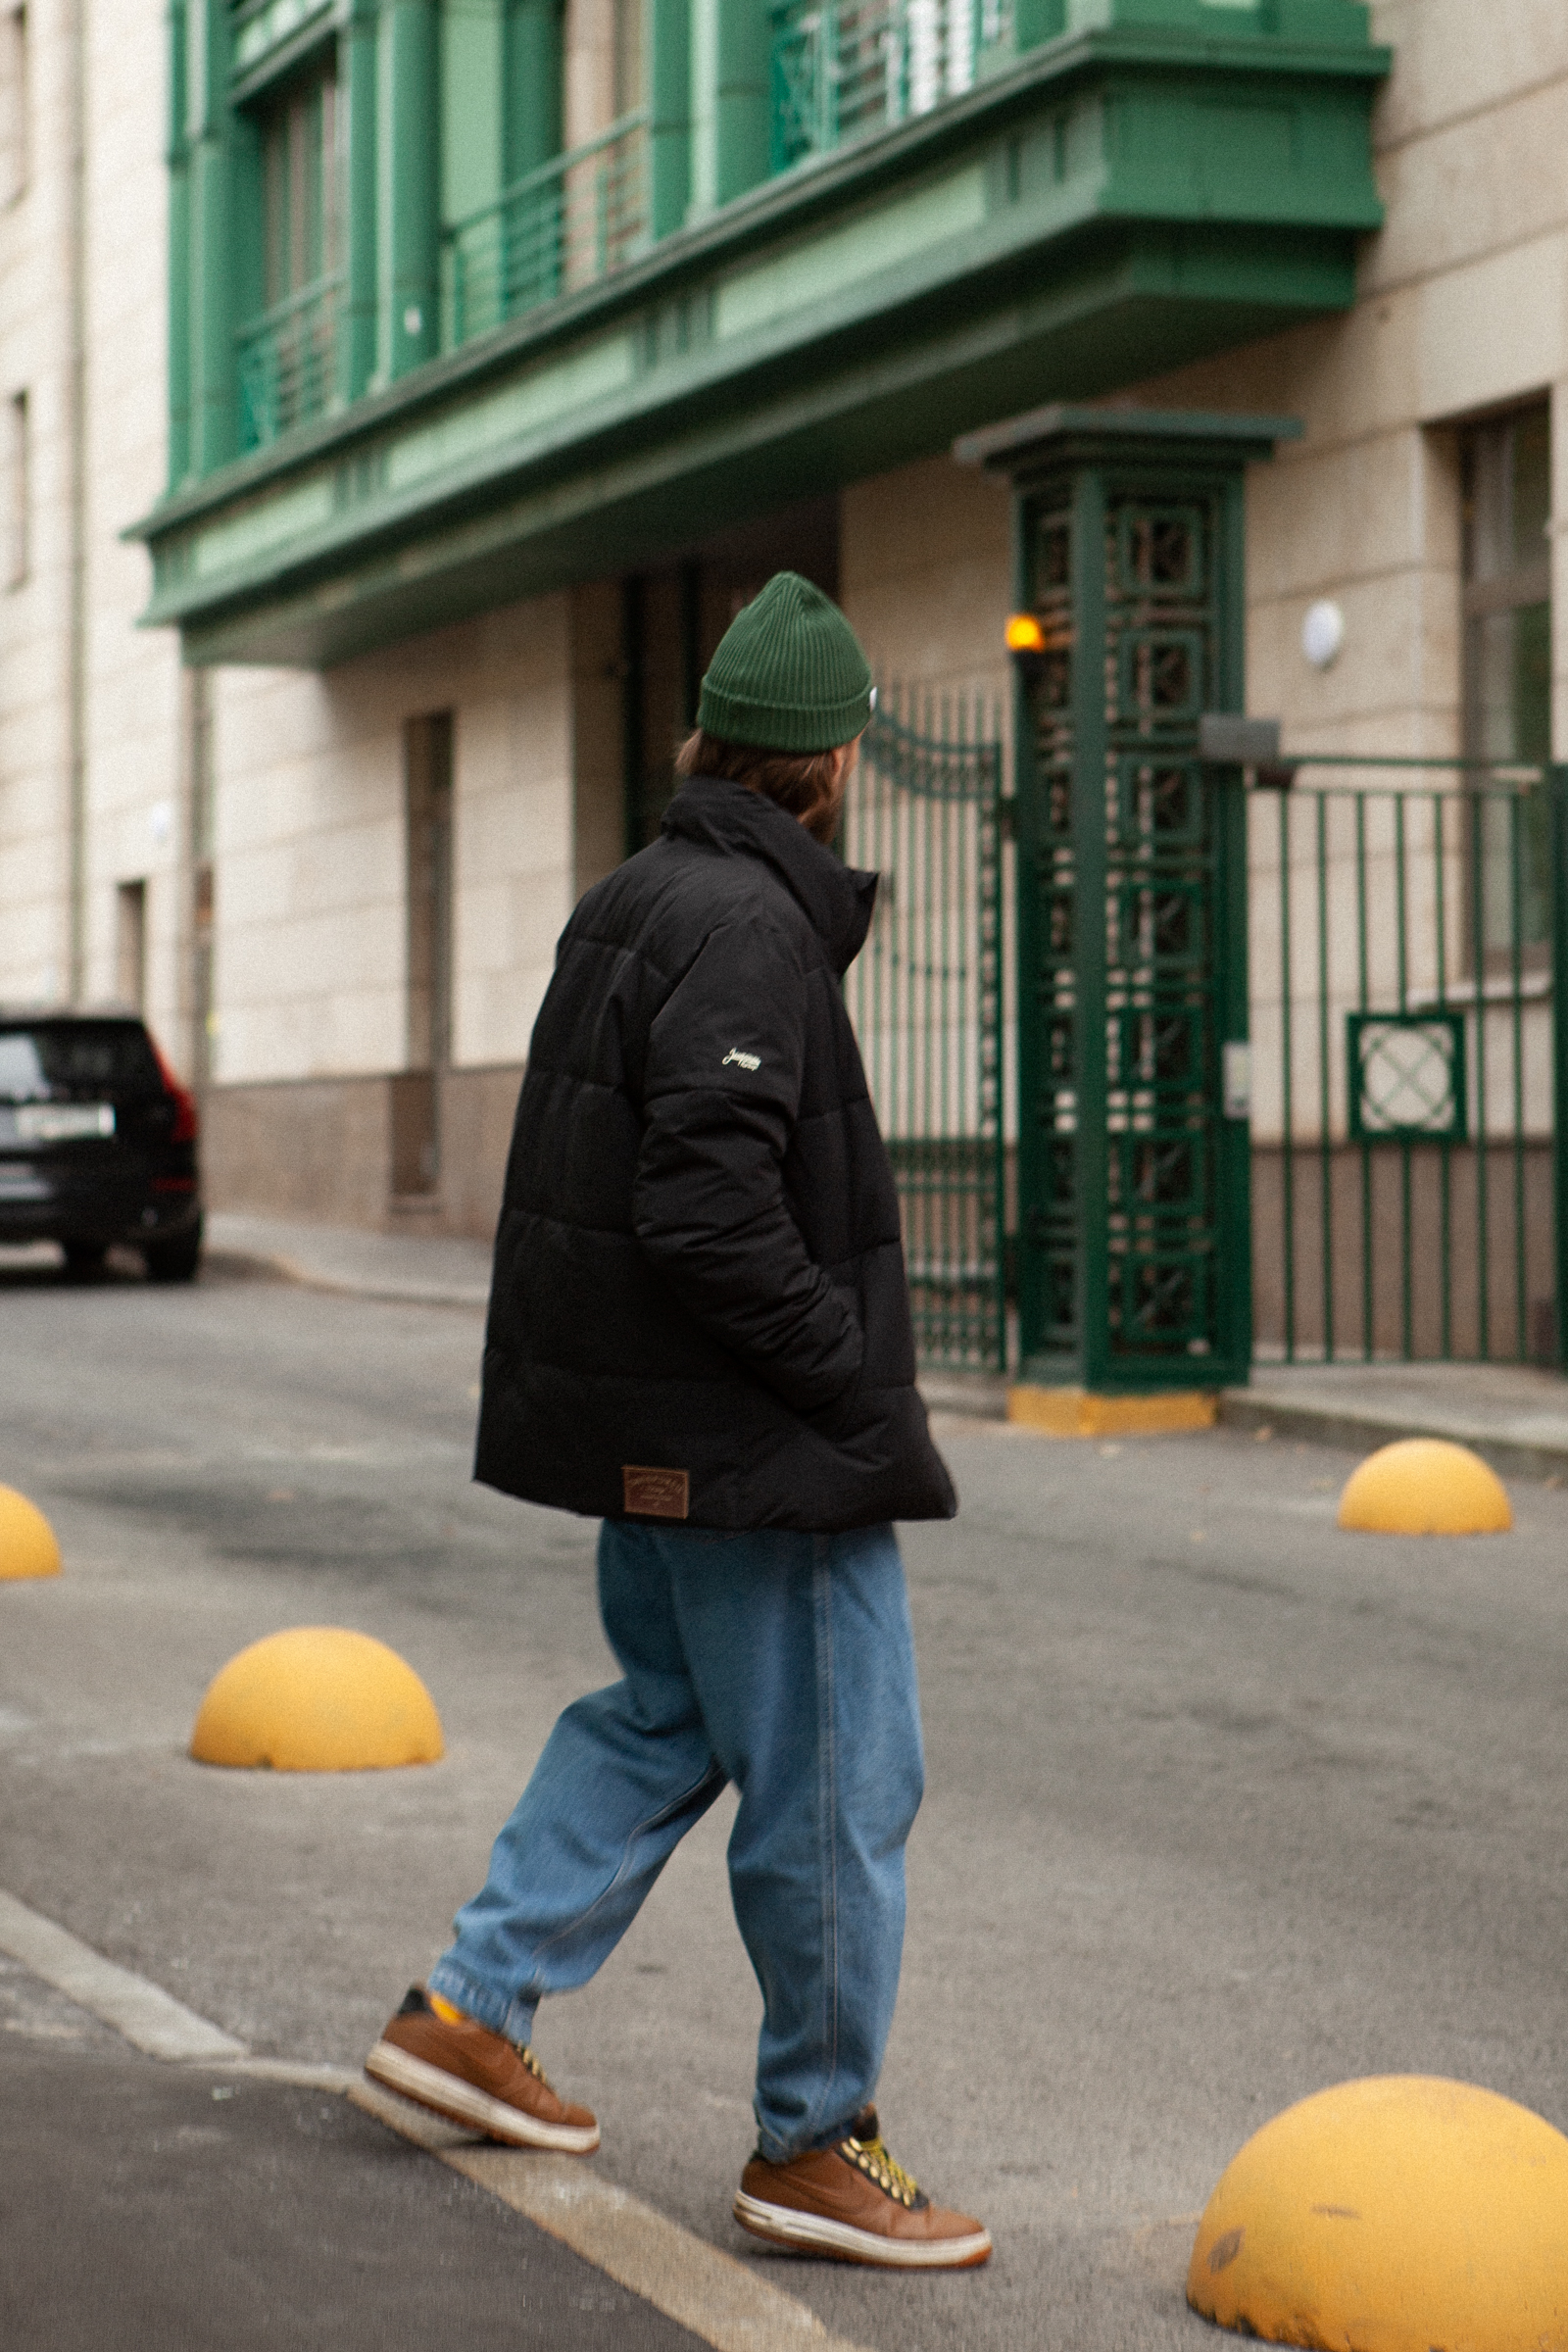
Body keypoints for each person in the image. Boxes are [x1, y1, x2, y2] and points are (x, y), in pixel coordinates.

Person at [366, 571, 991, 2270]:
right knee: (844, 1779)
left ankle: (471, 2006)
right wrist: (841, 1372)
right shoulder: (750, 925)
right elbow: (707, 1205)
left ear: (714, 740)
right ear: (834, 760)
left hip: (654, 1435)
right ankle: (817, 2140)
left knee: (664, 1720)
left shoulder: (632, 900)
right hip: (754, 1454)